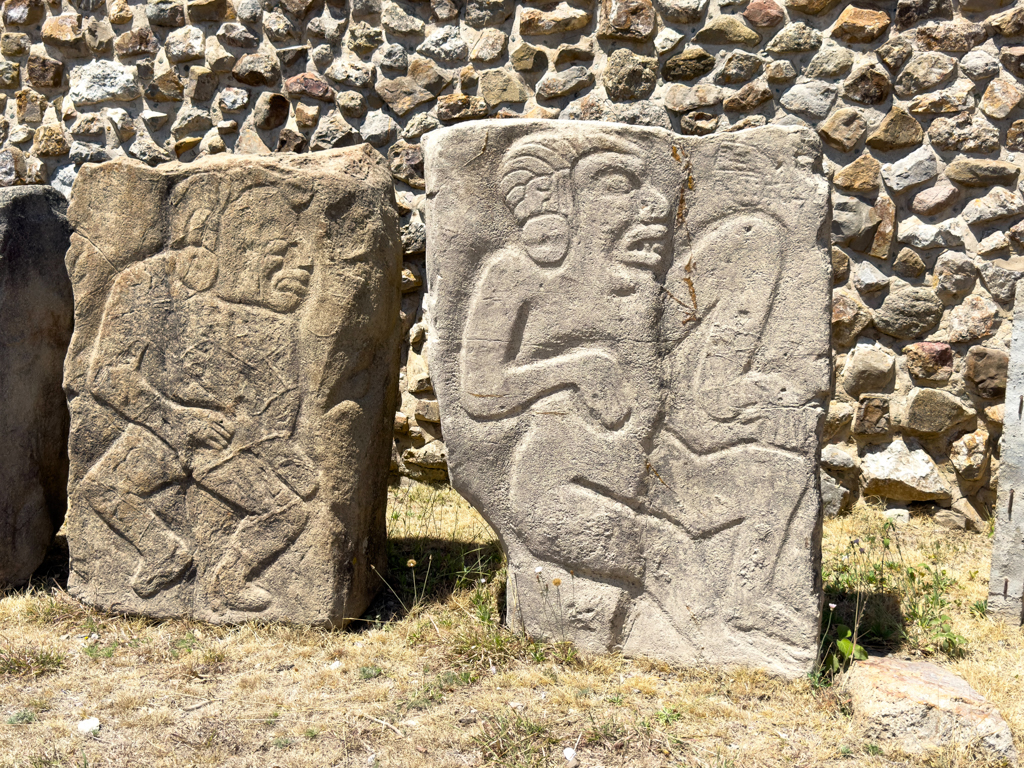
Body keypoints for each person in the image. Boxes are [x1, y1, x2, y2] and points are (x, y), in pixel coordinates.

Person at [72, 182, 319, 613]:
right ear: (219, 241)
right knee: (101, 489)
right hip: (164, 427)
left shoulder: (273, 325)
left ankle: (226, 581)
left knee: (288, 512)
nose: (299, 266)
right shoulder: (144, 284)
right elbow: (107, 374)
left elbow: (277, 410)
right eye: (277, 250)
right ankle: (163, 551)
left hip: (226, 442)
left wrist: (279, 455)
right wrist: (176, 420)